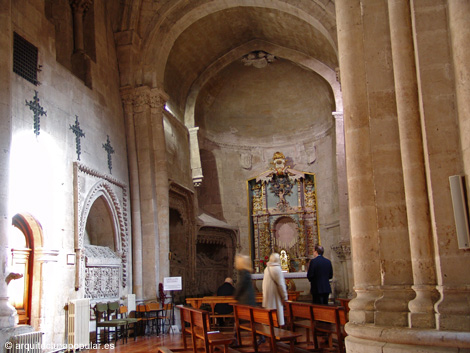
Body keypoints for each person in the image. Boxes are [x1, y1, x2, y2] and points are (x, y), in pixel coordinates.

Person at [230, 254, 256, 348]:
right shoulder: (245, 272)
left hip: (245, 301)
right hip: (246, 300)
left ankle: (235, 339)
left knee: (240, 321)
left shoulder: (244, 272)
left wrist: (235, 295)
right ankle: (235, 339)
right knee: (239, 321)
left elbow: (241, 286)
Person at [262, 253, 288, 327]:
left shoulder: (266, 269)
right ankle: (277, 333)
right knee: (277, 317)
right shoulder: (277, 269)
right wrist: (285, 297)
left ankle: (270, 333)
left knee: (270, 317)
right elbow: (281, 285)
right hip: (275, 296)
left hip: (268, 296)